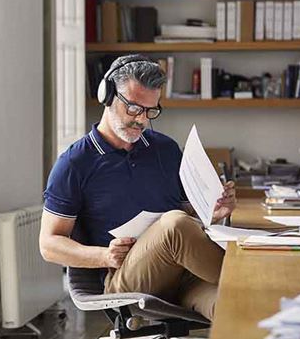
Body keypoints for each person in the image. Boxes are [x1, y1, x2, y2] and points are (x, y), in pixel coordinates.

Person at [39, 55, 236, 320]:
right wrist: (104, 256)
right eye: (133, 108)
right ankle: (252, 275)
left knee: (238, 305)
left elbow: (191, 217)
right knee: (174, 224)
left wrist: (213, 211)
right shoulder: (74, 163)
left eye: (150, 110)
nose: (141, 120)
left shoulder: (165, 150)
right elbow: (49, 245)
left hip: (185, 277)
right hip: (129, 282)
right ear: (107, 95)